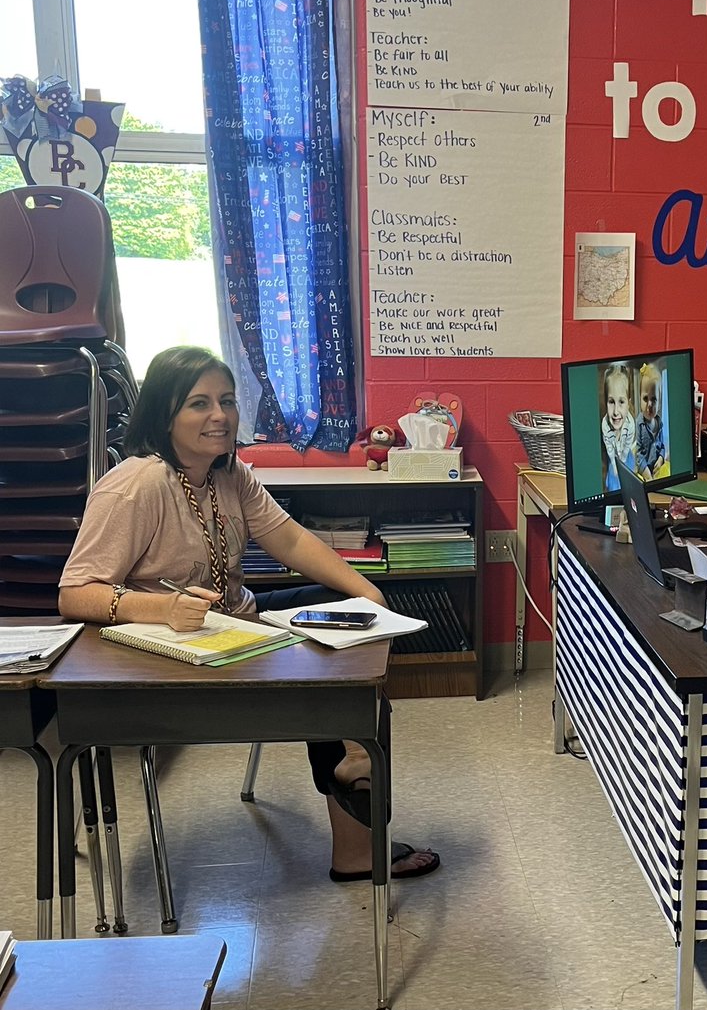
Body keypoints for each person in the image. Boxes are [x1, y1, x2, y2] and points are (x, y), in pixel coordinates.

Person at [59, 346, 440, 882]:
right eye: (199, 403)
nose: (220, 415)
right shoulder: (135, 485)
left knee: (352, 621)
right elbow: (75, 594)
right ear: (164, 414)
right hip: (175, 656)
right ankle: (356, 829)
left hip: (236, 627)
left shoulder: (228, 472)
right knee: (326, 683)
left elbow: (288, 537)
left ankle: (356, 753)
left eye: (228, 401)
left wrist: (366, 591)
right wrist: (161, 607)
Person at [600, 362, 635, 491]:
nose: (615, 411)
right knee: (613, 483)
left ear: (628, 403)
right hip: (613, 455)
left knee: (629, 485)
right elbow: (609, 448)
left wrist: (622, 463)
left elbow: (627, 446)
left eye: (621, 402)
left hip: (626, 453)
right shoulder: (605, 425)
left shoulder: (630, 424)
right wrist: (615, 466)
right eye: (611, 402)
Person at [634, 362, 667, 478]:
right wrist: (646, 473)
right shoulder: (639, 424)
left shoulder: (659, 423)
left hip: (656, 467)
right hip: (644, 470)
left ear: (659, 402)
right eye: (645, 398)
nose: (649, 404)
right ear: (639, 398)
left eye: (654, 399)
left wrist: (661, 458)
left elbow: (662, 446)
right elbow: (638, 454)